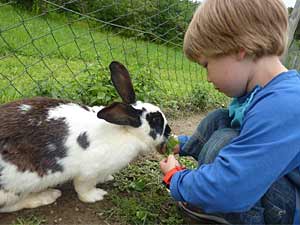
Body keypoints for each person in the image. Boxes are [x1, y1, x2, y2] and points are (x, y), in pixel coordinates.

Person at [159, 0, 300, 224]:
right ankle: (207, 195)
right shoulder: (261, 94)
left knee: (226, 141)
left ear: (239, 50)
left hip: (290, 208)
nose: (208, 78)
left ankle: (218, 208)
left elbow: (232, 186)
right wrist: (181, 145)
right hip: (274, 185)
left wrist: (175, 178)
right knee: (220, 120)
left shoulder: (285, 105)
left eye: (207, 65)